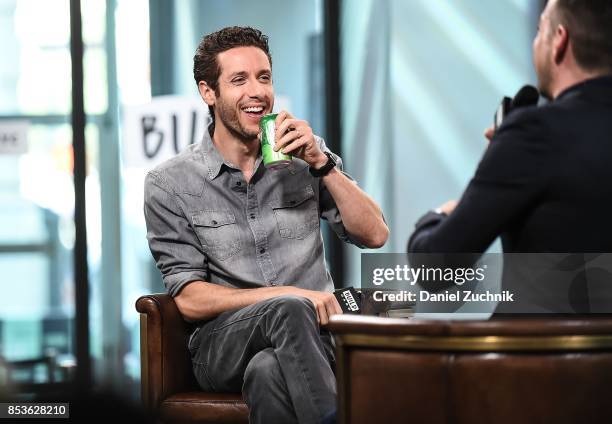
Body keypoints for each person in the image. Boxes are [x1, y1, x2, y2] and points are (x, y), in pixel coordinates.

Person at [143, 26, 388, 424]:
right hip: (222, 345)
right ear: (209, 92)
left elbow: (375, 234)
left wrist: (322, 164)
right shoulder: (170, 183)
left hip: (315, 339)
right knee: (287, 307)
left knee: (268, 372)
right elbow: (188, 298)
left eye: (264, 77)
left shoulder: (305, 159)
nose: (257, 91)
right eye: (239, 80)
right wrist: (288, 295)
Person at [408, 0, 612, 313]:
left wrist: (441, 213)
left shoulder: (535, 134)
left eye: (539, 29)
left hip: (543, 358)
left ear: (559, 40)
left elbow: (435, 267)